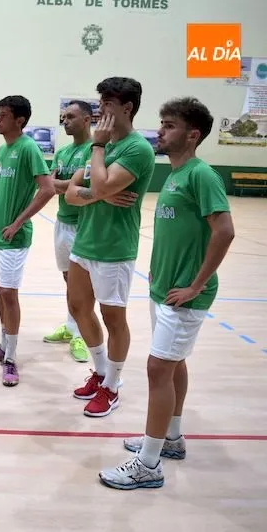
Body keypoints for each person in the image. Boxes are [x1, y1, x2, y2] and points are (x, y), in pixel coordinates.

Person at [99, 97, 234, 490]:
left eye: (169, 125)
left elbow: (223, 231)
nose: (160, 130)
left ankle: (148, 464)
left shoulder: (201, 175)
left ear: (193, 135)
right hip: (165, 289)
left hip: (185, 296)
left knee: (158, 369)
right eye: (161, 123)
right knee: (173, 366)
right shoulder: (174, 174)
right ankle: (171, 438)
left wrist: (196, 284)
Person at [65, 77, 155, 417]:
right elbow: (73, 194)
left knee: (113, 318)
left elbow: (96, 184)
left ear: (127, 108)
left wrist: (98, 151)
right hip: (84, 242)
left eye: (107, 103)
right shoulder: (101, 146)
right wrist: (97, 193)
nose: (100, 109)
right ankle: (100, 371)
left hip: (115, 247)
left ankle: (113, 386)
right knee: (77, 307)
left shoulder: (136, 149)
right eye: (100, 101)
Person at [0, 95, 55, 387]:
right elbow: (0, 184)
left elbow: (47, 190)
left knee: (9, 294)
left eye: (3, 115)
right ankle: (2, 344)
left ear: (19, 120)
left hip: (14, 236)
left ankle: (11, 358)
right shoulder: (2, 149)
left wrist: (19, 221)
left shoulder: (28, 148)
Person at [42, 100, 93, 362]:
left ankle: (82, 336)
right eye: (63, 117)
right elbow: (50, 185)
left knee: (84, 285)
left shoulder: (95, 151)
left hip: (85, 225)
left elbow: (84, 186)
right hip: (62, 223)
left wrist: (62, 185)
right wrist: (66, 185)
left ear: (87, 119)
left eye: (71, 117)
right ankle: (71, 325)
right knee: (68, 280)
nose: (65, 121)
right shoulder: (62, 152)